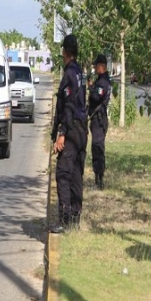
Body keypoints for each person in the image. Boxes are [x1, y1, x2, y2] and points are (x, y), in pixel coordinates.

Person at [50, 34, 88, 233]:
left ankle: (64, 220)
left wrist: (62, 133)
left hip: (72, 130)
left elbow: (69, 105)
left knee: (63, 174)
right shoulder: (79, 72)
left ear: (64, 52)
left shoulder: (69, 74)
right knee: (76, 175)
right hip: (82, 129)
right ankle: (75, 218)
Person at [88, 54, 111, 190]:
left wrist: (91, 88)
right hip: (96, 119)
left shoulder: (103, 82)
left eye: (96, 65)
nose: (95, 68)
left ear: (101, 66)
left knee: (98, 148)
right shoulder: (101, 80)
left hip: (99, 120)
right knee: (95, 149)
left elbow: (97, 96)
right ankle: (97, 178)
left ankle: (100, 179)